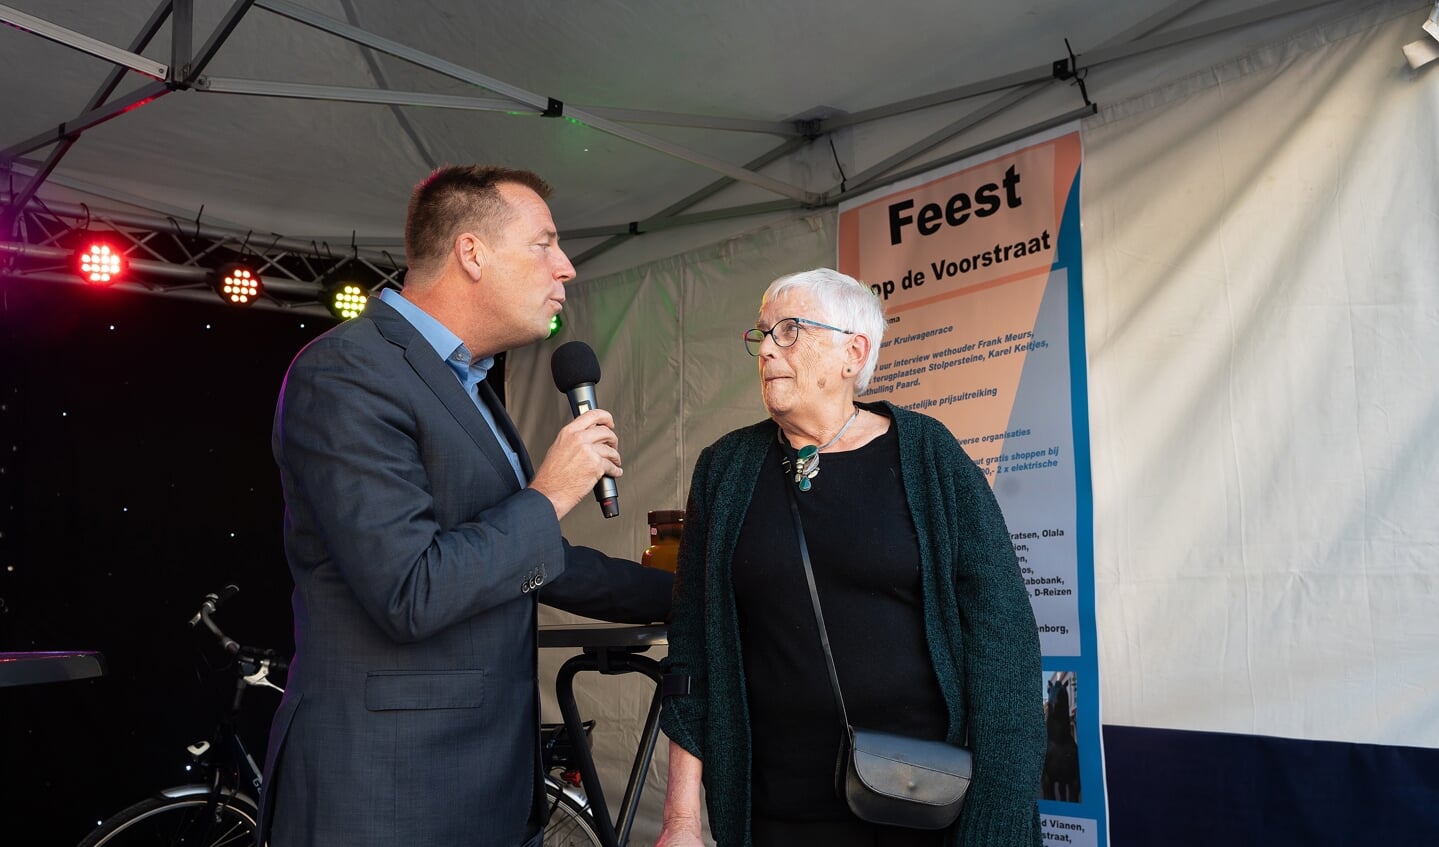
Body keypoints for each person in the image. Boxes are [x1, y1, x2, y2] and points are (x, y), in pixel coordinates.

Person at [257, 165, 672, 847]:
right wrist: (551, 492)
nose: (565, 268)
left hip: (486, 786)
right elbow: (409, 589)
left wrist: (688, 592)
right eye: (544, 244)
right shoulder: (345, 372)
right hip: (384, 794)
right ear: (471, 253)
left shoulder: (470, 384)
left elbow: (526, 560)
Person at [656, 268, 1044, 847]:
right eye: (761, 334)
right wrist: (681, 819)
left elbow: (1003, 642)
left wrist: (1000, 819)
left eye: (789, 331)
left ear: (852, 352)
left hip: (922, 803)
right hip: (777, 810)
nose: (765, 349)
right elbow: (692, 652)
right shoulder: (726, 470)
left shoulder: (928, 456)